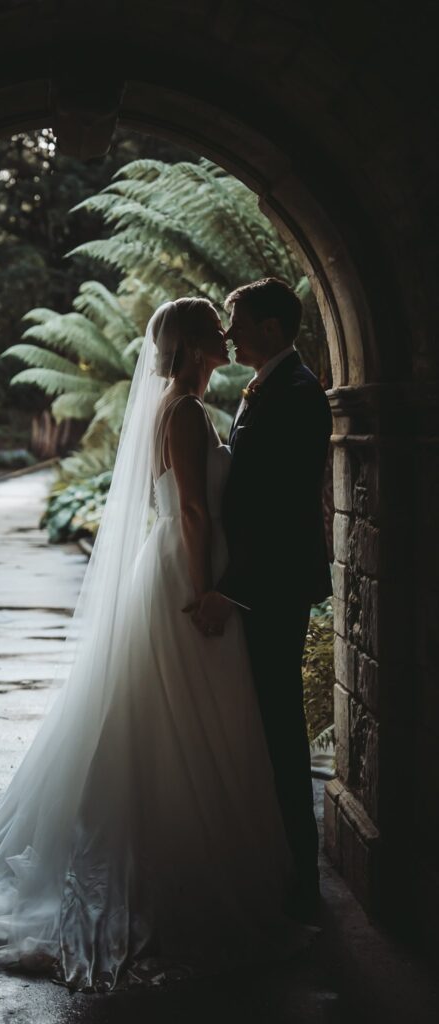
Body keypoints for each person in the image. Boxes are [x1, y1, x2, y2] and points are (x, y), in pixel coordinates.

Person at [0, 296, 314, 991]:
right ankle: (183, 867)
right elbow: (195, 511)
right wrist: (205, 590)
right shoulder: (185, 413)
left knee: (171, 717)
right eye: (216, 331)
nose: (227, 339)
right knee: (184, 719)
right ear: (196, 345)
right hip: (187, 570)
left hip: (173, 561)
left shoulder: (175, 409)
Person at [185, 278, 333, 921]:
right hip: (258, 583)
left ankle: (302, 876)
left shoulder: (297, 394)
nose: (230, 332)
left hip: (270, 588)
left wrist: (231, 591)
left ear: (271, 327)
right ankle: (277, 858)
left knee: (278, 725)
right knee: (264, 723)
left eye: (238, 321)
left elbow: (281, 510)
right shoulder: (269, 387)